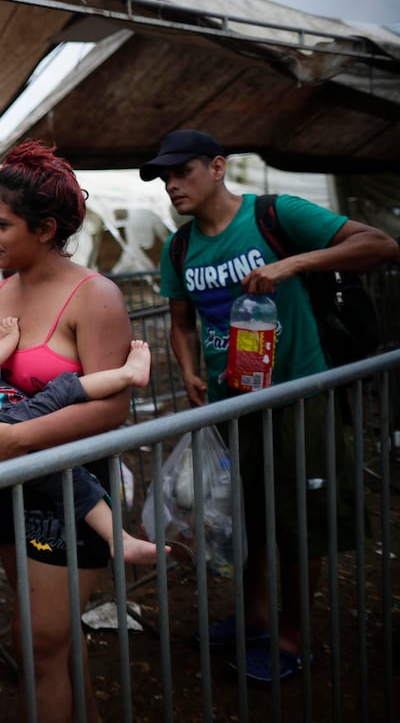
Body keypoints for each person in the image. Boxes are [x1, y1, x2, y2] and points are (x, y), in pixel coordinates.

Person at [144, 128, 399, 682]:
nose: (171, 185)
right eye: (164, 177)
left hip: (297, 394)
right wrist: (189, 369)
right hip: (232, 403)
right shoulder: (180, 246)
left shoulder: (275, 214)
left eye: (180, 171)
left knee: (299, 521)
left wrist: (292, 265)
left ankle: (291, 636)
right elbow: (180, 323)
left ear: (217, 166)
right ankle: (255, 617)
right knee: (248, 515)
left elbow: (381, 245)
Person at [0, 140, 136, 722]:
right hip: (3, 479)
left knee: (39, 642)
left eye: (2, 224)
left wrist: (25, 439)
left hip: (70, 489)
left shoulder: (94, 297)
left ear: (44, 228)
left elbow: (111, 408)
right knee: (48, 636)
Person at [0, 320, 160, 564]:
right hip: (5, 419)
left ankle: (119, 540)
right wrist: (10, 337)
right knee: (62, 389)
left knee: (70, 479)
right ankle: (129, 374)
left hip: (4, 423)